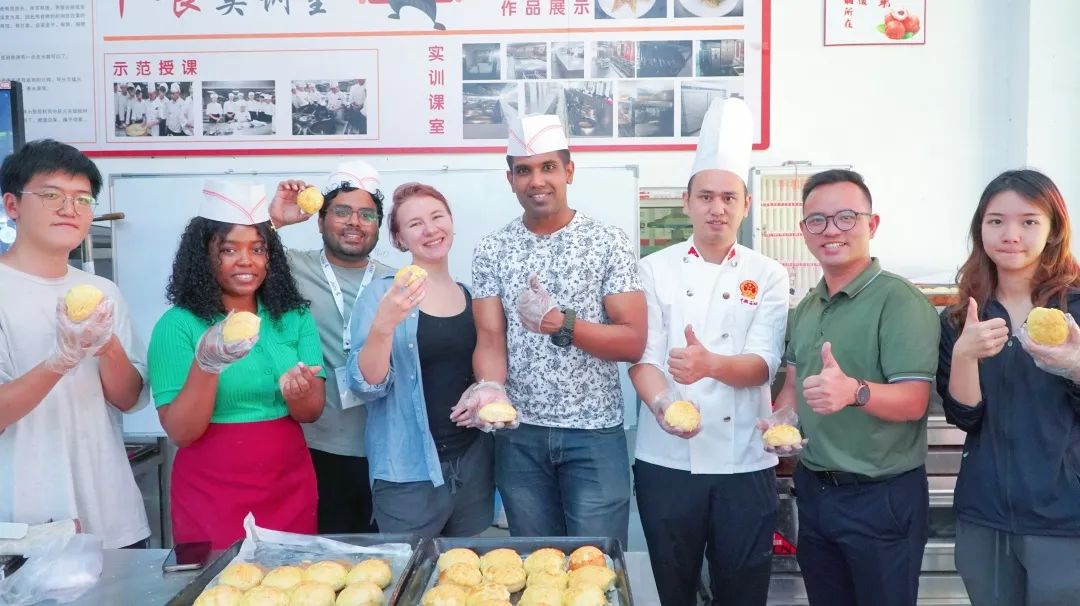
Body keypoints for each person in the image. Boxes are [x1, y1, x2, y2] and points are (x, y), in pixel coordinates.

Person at [461, 114, 646, 547]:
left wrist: (563, 324)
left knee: (596, 564)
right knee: (536, 563)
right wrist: (490, 387)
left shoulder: (608, 242)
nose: (537, 180)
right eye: (524, 170)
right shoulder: (492, 248)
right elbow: (490, 339)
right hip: (519, 435)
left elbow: (633, 340)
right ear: (510, 179)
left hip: (594, 433)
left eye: (548, 167)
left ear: (569, 171)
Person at [630, 98, 786, 606]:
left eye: (728, 197)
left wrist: (709, 365)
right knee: (672, 589)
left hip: (745, 462)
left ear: (745, 204)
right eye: (706, 197)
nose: (717, 208)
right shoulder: (654, 269)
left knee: (743, 592)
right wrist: (662, 406)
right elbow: (644, 359)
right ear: (687, 202)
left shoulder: (768, 273)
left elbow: (763, 363)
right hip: (666, 460)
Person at [774, 169, 939, 606]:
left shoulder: (899, 301)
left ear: (872, 224)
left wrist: (854, 392)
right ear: (804, 231)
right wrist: (780, 422)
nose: (831, 230)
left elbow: (914, 401)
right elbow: (792, 385)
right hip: (815, 492)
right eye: (817, 220)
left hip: (880, 498)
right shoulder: (808, 307)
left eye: (846, 217)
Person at [147, 180, 325, 548]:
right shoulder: (177, 325)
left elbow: (311, 412)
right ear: (203, 256)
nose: (246, 261)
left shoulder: (293, 317)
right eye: (229, 250)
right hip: (210, 489)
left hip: (287, 482)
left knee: (292, 577)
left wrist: (300, 392)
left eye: (258, 249)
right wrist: (207, 365)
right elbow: (181, 432)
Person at [938, 169, 1080, 605]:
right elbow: (966, 417)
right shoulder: (962, 316)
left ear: (1054, 229)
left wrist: (1076, 367)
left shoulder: (1075, 310)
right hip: (985, 516)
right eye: (996, 221)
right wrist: (965, 355)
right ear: (980, 229)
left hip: (1065, 516)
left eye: (1029, 221)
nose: (1011, 235)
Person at [0, 139, 150, 549]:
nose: (70, 208)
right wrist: (61, 360)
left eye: (82, 198)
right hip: (23, 525)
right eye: (51, 195)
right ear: (12, 205)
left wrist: (108, 347)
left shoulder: (102, 291)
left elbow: (128, 399)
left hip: (111, 515)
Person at [346, 182, 497, 538]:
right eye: (415, 224)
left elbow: (480, 371)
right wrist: (384, 325)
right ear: (400, 239)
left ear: (451, 223)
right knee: (409, 570)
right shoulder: (382, 294)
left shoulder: (470, 296)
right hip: (407, 474)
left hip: (472, 467)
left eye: (437, 217)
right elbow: (365, 385)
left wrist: (482, 394)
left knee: (464, 569)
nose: (430, 229)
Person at [268, 160, 392, 534]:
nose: (354, 222)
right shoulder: (289, 268)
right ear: (320, 221)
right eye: (341, 211)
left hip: (383, 449)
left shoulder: (395, 282)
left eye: (366, 215)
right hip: (315, 446)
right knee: (322, 556)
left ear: (379, 226)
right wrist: (274, 221)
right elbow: (235, 255)